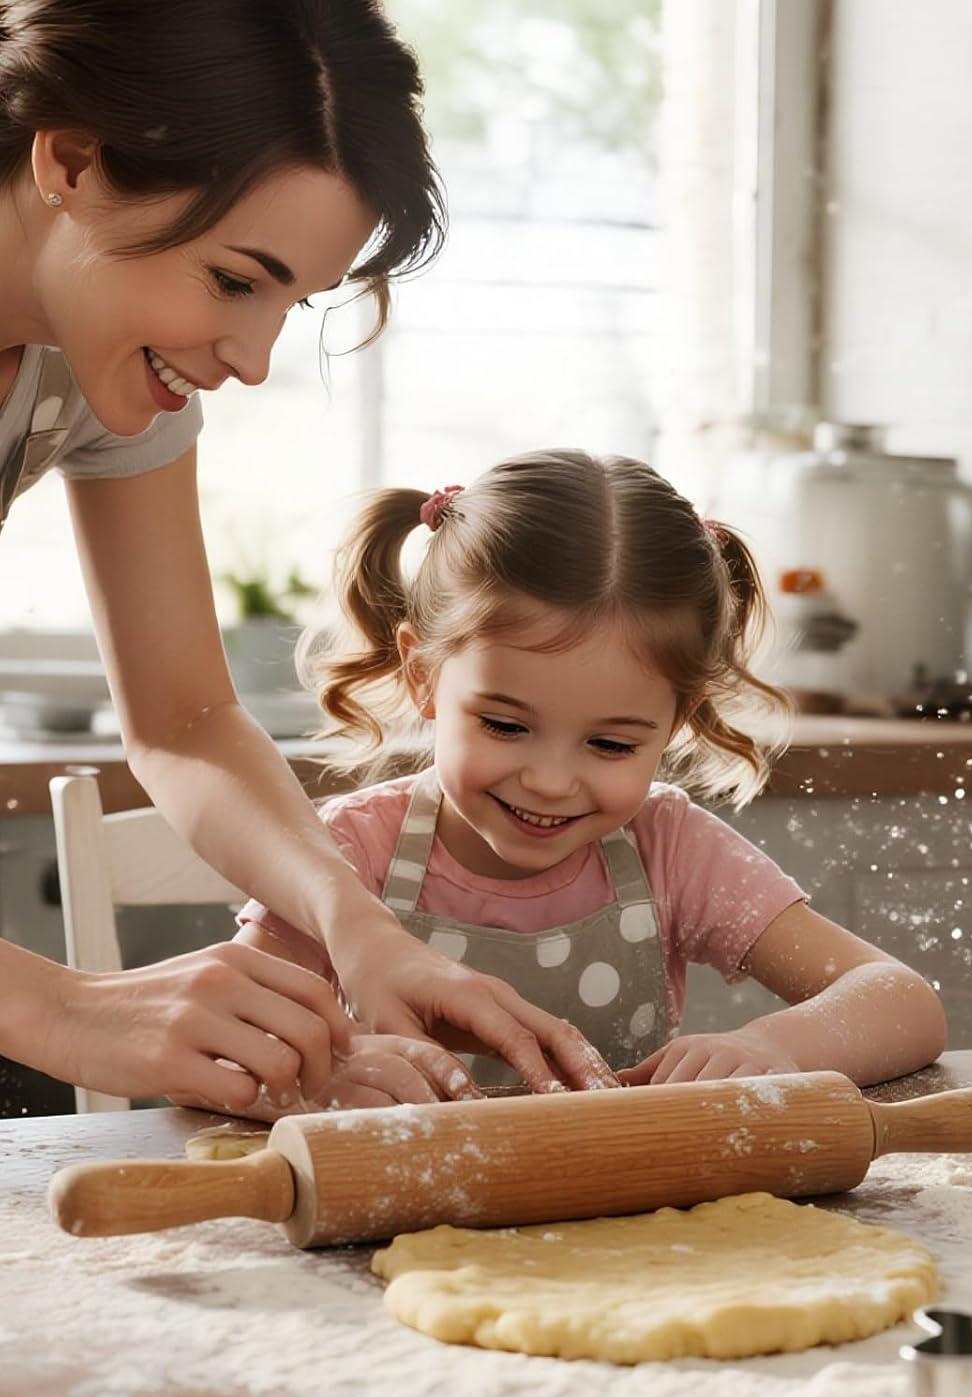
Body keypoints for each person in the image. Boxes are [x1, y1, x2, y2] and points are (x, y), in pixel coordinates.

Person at [0, 0, 614, 1115]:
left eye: (293, 300)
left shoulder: (88, 364)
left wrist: (362, 929)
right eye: (236, 279)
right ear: (74, 161)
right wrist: (60, 1010)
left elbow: (183, 722)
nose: (251, 358)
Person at [219, 447, 948, 1118]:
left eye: (609, 743)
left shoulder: (671, 850)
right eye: (505, 726)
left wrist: (775, 1047)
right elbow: (222, 1039)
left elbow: (903, 1002)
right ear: (424, 678)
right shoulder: (347, 852)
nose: (550, 780)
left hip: (620, 1228)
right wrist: (325, 1070)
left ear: (675, 722)